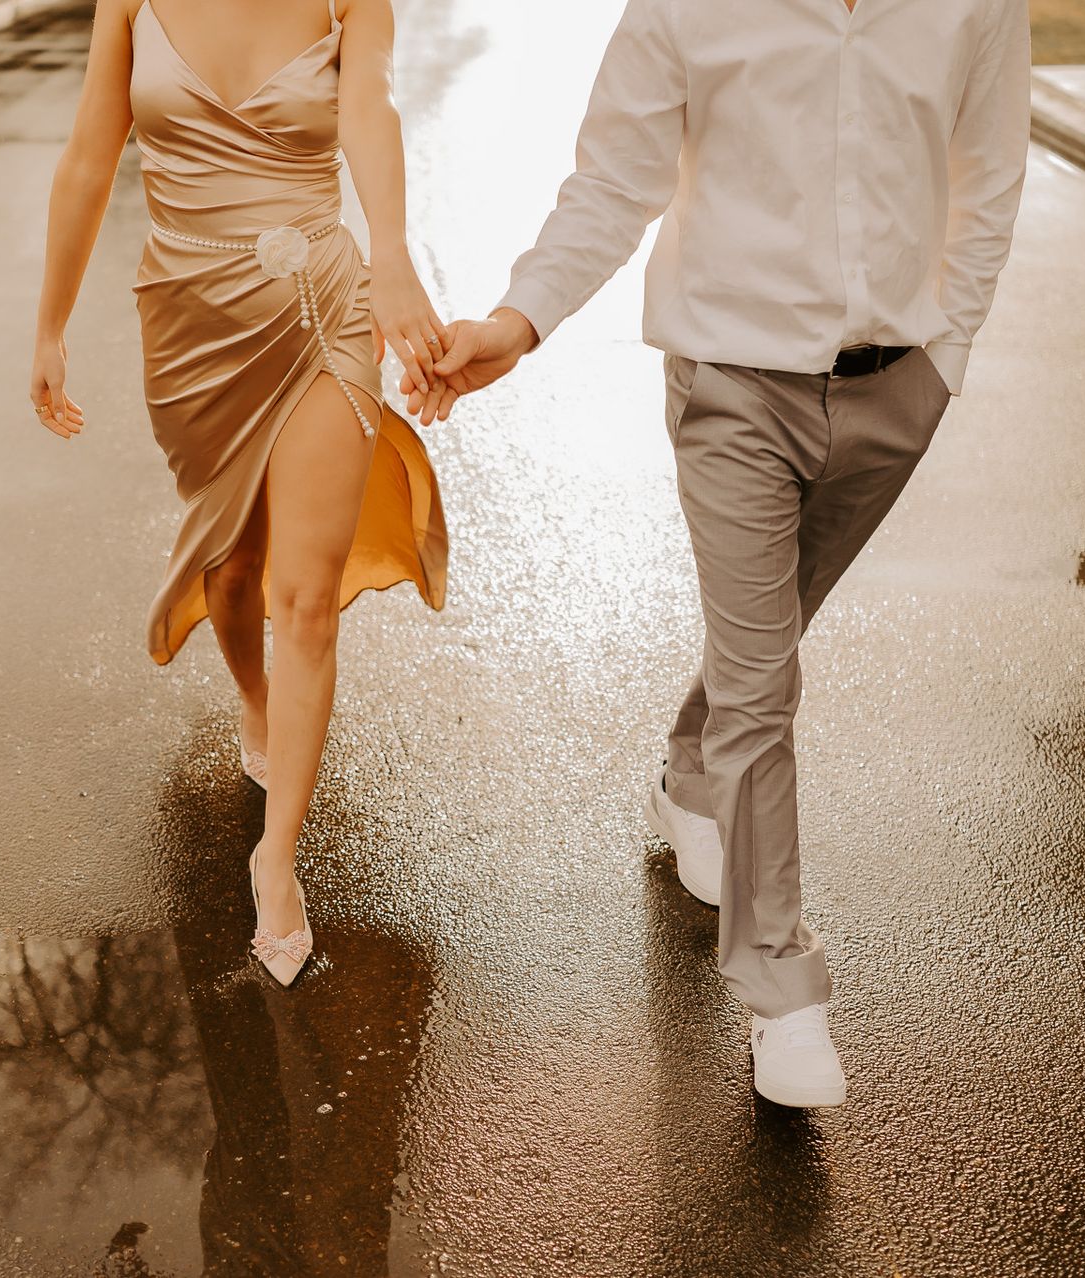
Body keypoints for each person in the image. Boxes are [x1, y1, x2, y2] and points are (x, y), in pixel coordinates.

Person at [405, 0, 1030, 1107]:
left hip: (898, 390)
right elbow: (613, 183)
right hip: (733, 384)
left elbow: (990, 169)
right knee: (763, 682)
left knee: (769, 636)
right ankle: (782, 990)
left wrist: (950, 353)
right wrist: (519, 320)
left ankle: (689, 780)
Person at [31, 0, 452, 987]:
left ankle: (278, 854)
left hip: (321, 309)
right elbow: (92, 154)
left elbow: (370, 111)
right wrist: (48, 328)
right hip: (189, 321)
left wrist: (389, 256)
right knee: (232, 567)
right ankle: (255, 703)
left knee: (304, 601)